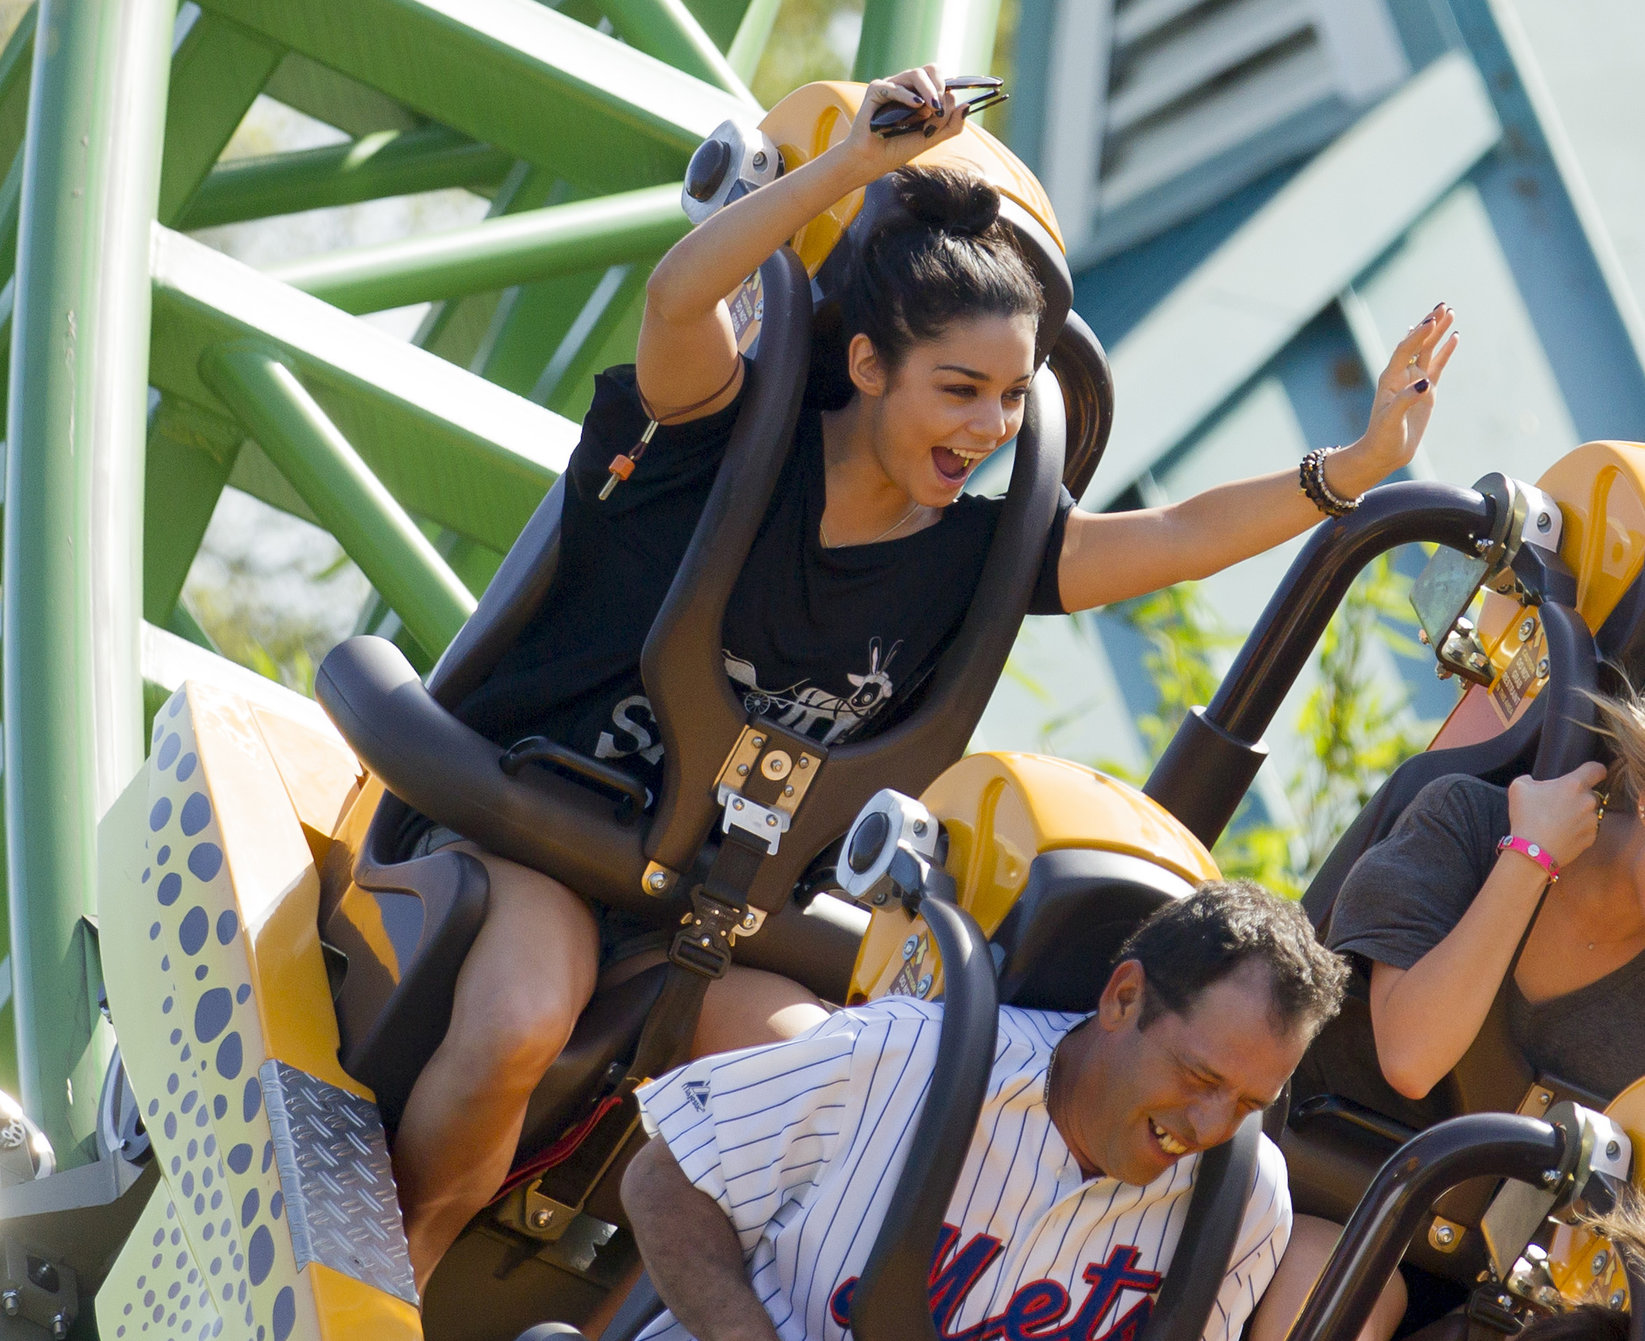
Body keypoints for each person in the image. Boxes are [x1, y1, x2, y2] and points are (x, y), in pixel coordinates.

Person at [391, 61, 1460, 1289]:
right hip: (539, 827)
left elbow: (1172, 537)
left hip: (707, 908)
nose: (988, 427)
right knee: (527, 1012)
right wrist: (849, 169)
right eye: (959, 391)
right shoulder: (716, 444)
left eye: (1011, 400)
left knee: (856, 1107)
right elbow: (683, 296)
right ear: (862, 365)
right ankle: (392, 1282)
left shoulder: (975, 558)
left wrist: (1354, 469)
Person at [620, 881, 1349, 1341]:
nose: (1208, 1125)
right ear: (1122, 997)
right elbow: (663, 1179)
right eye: (1197, 1075)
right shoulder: (905, 1054)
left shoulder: (1245, 1201)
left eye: (1250, 1103)